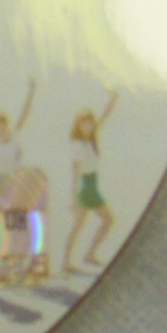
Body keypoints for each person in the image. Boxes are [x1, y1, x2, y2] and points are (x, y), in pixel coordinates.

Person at [62, 93, 119, 275]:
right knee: (81, 225)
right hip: (85, 187)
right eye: (83, 123)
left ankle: (87, 255)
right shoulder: (78, 145)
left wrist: (113, 99)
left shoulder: (90, 140)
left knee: (105, 221)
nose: (87, 126)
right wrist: (73, 199)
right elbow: (74, 174)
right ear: (78, 125)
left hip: (92, 185)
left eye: (89, 123)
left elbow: (104, 117)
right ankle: (68, 262)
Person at [0, 78, 36, 173]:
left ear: (6, 124)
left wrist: (31, 92)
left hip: (19, 177)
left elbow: (25, 113)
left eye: (2, 125)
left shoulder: (15, 135)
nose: (1, 129)